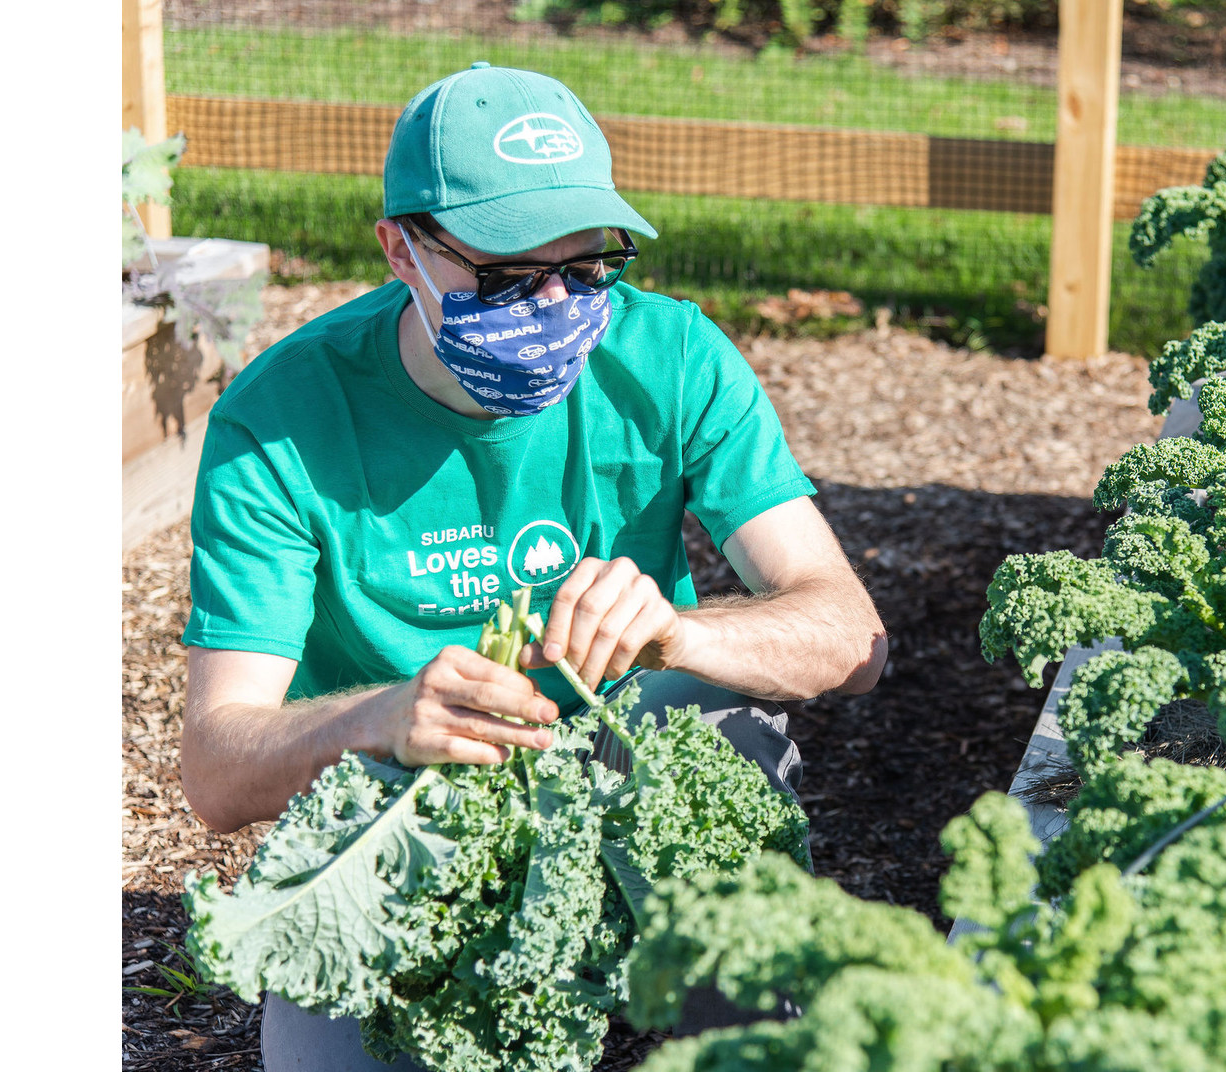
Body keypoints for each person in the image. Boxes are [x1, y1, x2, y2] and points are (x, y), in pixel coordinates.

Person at [177, 62, 887, 1070]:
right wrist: (377, 718)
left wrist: (677, 632)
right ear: (400, 250)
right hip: (415, 796)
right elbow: (215, 766)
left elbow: (850, 638)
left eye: (589, 267)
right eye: (506, 277)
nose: (555, 303)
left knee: (709, 725)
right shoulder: (280, 423)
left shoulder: (673, 358)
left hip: (623, 760)